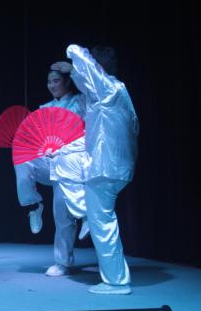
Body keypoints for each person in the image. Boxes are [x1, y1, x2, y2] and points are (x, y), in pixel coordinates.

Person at [52, 45, 139, 295]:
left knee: (103, 222)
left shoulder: (108, 88)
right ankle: (86, 216)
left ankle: (116, 281)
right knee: (102, 219)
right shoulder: (113, 93)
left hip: (105, 168)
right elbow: (99, 134)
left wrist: (72, 55)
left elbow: (85, 65)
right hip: (113, 166)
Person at [12, 68, 91, 276]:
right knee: (22, 158)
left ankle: (63, 261)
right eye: (49, 82)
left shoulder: (80, 102)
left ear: (67, 81)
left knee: (61, 214)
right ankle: (34, 205)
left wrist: (73, 70)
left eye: (56, 81)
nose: (52, 85)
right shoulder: (44, 108)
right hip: (50, 162)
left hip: (72, 165)